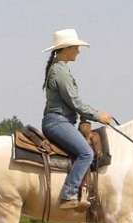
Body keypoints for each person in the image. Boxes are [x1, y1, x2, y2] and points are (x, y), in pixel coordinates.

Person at [41, 28, 114, 209]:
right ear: (66, 49)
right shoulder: (60, 72)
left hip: (61, 121)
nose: (78, 52)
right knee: (86, 153)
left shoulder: (60, 69)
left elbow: (73, 101)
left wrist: (84, 118)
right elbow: (74, 101)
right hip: (57, 122)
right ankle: (68, 193)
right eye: (76, 48)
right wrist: (98, 115)